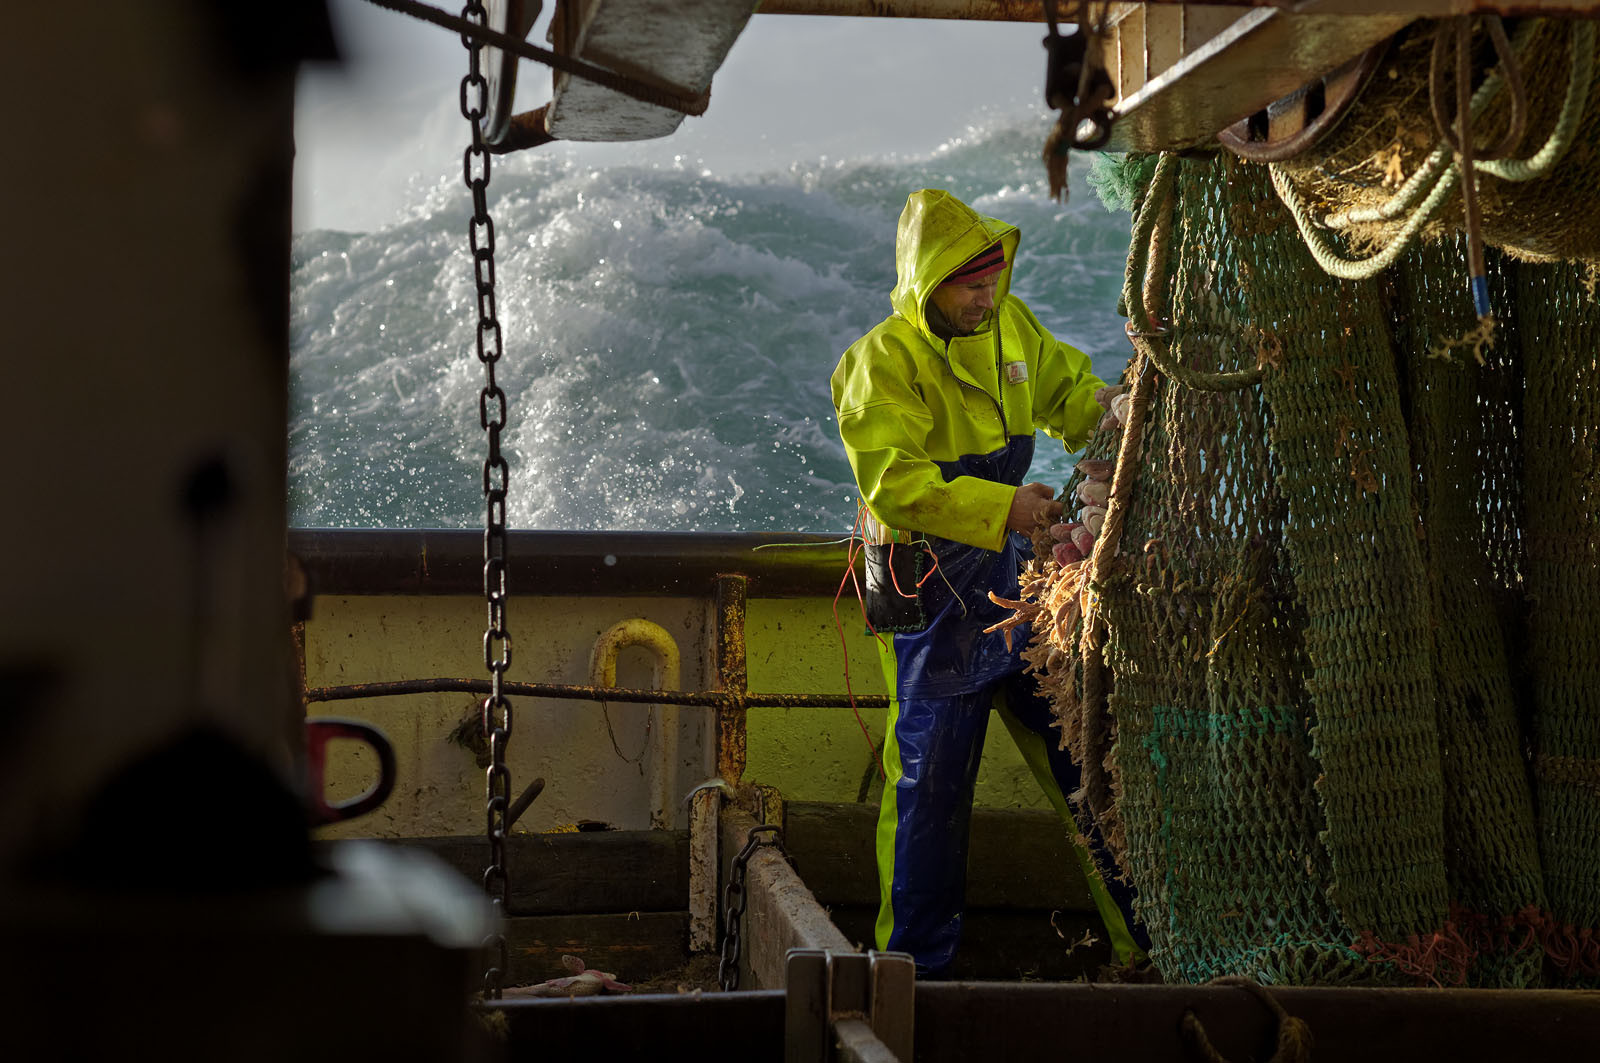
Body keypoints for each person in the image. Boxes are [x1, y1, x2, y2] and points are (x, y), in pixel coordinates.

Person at [830, 188, 1146, 977]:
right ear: (927, 284)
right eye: (971, 285)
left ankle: (1144, 945)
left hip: (1010, 580)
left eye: (994, 279)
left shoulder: (1012, 326)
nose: (986, 296)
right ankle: (913, 971)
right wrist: (1007, 507)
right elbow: (895, 485)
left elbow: (1068, 394)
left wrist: (1113, 409)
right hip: (922, 591)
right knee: (929, 786)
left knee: (1085, 754)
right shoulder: (880, 361)